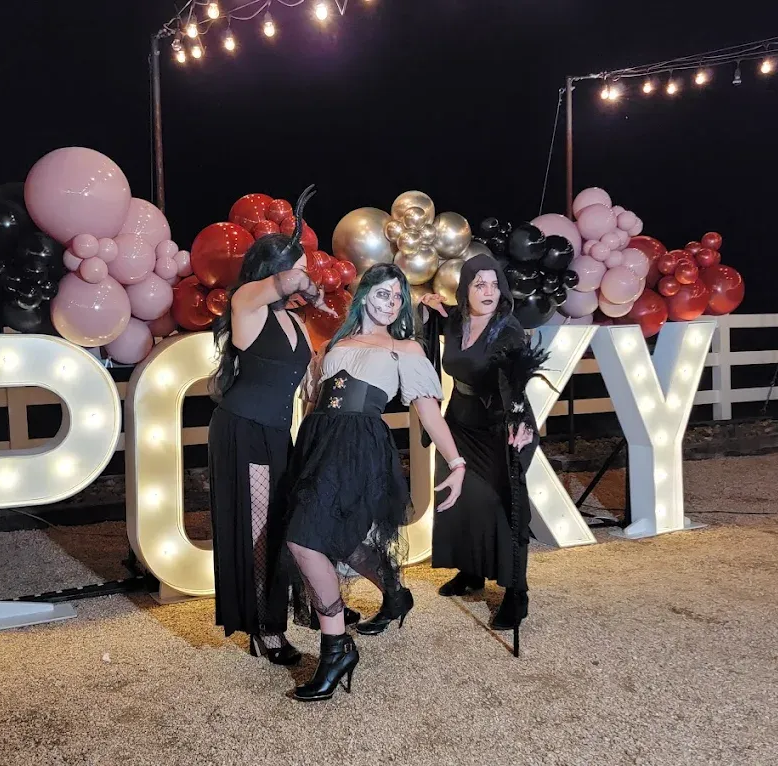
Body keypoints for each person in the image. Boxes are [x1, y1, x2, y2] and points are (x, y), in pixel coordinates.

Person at [281, 262, 466, 701]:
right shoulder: (334, 345)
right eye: (383, 293)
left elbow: (429, 413)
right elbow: (314, 405)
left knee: (304, 541)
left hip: (360, 448)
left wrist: (457, 464)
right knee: (341, 540)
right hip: (319, 444)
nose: (392, 302)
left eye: (398, 296)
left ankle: (336, 648)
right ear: (363, 295)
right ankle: (395, 594)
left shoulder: (405, 349)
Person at [207, 186, 338, 666]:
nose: (306, 274)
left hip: (277, 431)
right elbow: (287, 281)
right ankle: (264, 627)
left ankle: (275, 615)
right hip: (243, 428)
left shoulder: (292, 319)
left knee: (280, 525)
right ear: (274, 267)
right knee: (258, 528)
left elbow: (304, 376)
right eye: (297, 265)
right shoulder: (247, 301)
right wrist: (308, 281)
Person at [419, 253, 546, 641]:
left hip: (498, 427)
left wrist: (519, 421)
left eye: (494, 284)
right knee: (462, 501)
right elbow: (431, 331)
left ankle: (517, 592)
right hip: (459, 423)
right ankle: (471, 571)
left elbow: (515, 383)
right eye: (479, 284)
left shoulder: (508, 330)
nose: (488, 291)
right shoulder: (456, 320)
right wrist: (427, 306)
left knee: (503, 505)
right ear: (466, 290)